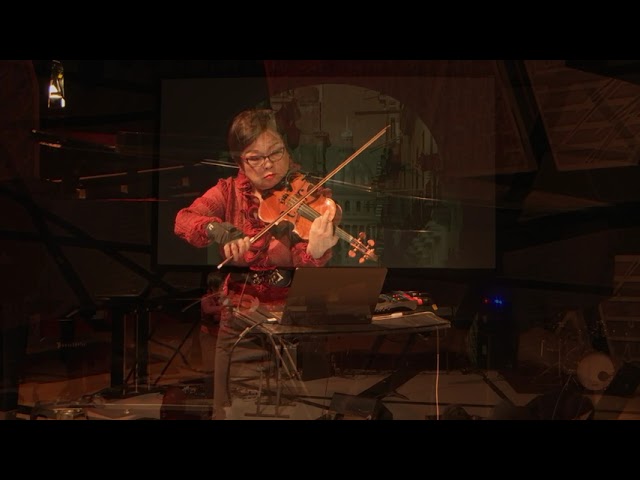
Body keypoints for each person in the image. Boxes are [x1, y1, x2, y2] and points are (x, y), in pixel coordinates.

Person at [174, 108, 339, 419]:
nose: (268, 164)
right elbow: (184, 220)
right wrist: (217, 229)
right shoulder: (228, 192)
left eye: (276, 152)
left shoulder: (306, 195)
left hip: (292, 324)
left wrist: (316, 250)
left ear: (288, 150)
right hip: (239, 325)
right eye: (255, 157)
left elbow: (302, 261)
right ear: (240, 161)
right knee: (234, 411)